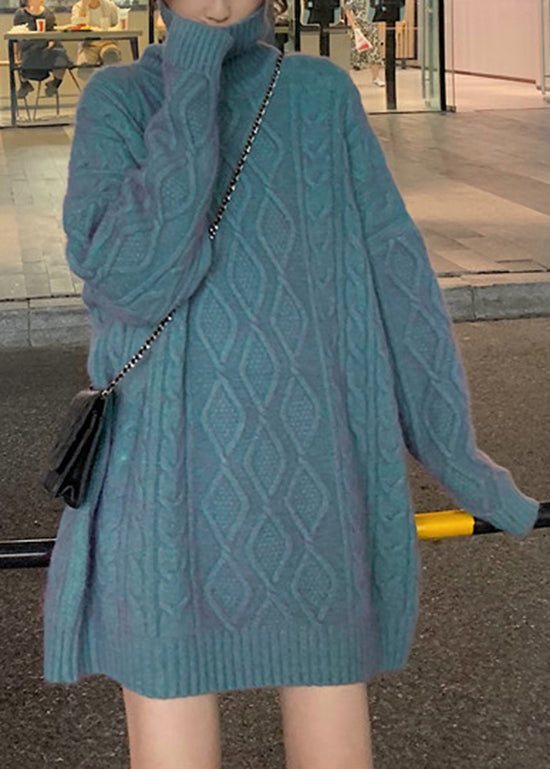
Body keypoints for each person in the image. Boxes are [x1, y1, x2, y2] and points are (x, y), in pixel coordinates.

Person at [41, 0, 540, 767]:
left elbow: (398, 284)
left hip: (309, 478)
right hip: (160, 487)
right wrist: (194, 75)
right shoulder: (120, 99)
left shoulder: (317, 94)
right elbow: (133, 280)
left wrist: (462, 462)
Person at [12, 0, 73, 99]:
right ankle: (25, 84)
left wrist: (51, 41)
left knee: (61, 56)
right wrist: (15, 55)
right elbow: (15, 36)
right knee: (25, 59)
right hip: (30, 48)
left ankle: (55, 83)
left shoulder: (48, 13)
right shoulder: (21, 14)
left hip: (48, 48)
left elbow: (53, 31)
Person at [70, 0, 122, 80]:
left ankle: (108, 83)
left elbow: (118, 25)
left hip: (107, 42)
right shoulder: (78, 7)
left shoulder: (110, 6)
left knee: (110, 55)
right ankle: (95, 84)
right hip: (88, 45)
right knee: (84, 68)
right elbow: (77, 28)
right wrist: (83, 8)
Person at [344, 0, 385, 86]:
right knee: (354, 53)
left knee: (375, 51)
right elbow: (347, 10)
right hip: (358, 26)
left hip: (372, 26)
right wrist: (353, 26)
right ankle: (348, 78)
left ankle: (376, 77)